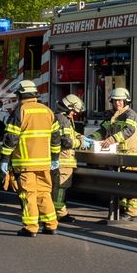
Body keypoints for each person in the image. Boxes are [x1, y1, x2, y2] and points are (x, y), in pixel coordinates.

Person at [0, 80, 62, 237]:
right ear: (35, 95)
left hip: (25, 163)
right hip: (45, 163)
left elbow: (11, 138)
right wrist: (54, 157)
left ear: (20, 95)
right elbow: (56, 138)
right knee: (44, 193)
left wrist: (4, 158)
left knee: (28, 194)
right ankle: (51, 225)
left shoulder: (20, 111)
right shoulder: (48, 111)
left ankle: (30, 227)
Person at [88, 87, 137, 221]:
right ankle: (122, 209)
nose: (118, 103)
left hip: (129, 153)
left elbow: (129, 130)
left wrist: (112, 139)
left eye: (121, 100)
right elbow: (102, 130)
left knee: (131, 183)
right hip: (116, 154)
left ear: (126, 101)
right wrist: (90, 139)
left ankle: (132, 212)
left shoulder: (131, 115)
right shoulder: (111, 115)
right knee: (119, 183)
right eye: (116, 100)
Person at [54, 94, 91, 223]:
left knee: (58, 188)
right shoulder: (63, 119)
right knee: (61, 188)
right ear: (69, 107)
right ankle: (60, 214)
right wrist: (80, 143)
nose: (75, 114)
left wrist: (80, 136)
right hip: (63, 161)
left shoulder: (60, 117)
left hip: (60, 160)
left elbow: (69, 133)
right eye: (74, 111)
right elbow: (66, 142)